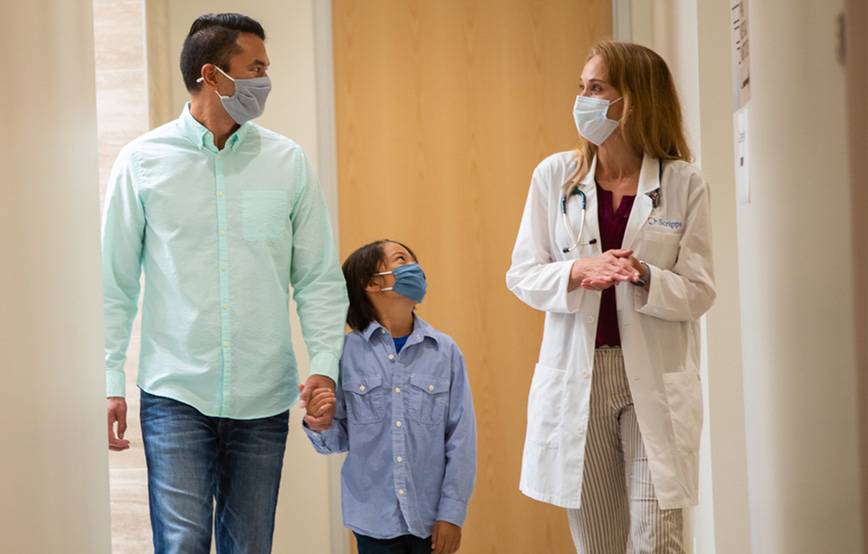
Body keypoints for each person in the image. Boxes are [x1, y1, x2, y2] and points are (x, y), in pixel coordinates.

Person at [101, 12, 347, 553]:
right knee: (183, 544)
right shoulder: (142, 162)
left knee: (251, 546)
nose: (265, 79)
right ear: (212, 76)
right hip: (174, 392)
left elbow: (319, 279)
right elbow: (113, 283)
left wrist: (325, 367)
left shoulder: (288, 163)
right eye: (255, 67)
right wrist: (109, 379)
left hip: (262, 395)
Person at [506, 40, 716, 554]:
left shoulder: (682, 183)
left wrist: (643, 273)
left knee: (656, 540)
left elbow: (699, 290)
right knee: (599, 543)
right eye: (582, 87)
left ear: (634, 99)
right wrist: (578, 271)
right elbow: (523, 274)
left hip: (652, 377)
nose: (583, 99)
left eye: (596, 88)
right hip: (582, 376)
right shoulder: (556, 177)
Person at [303, 240, 476, 554]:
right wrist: (320, 423)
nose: (416, 269)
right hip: (371, 520)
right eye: (401, 260)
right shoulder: (344, 354)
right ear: (372, 284)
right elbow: (338, 440)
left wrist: (452, 513)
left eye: (414, 261)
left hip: (431, 520)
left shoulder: (445, 352)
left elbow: (461, 438)